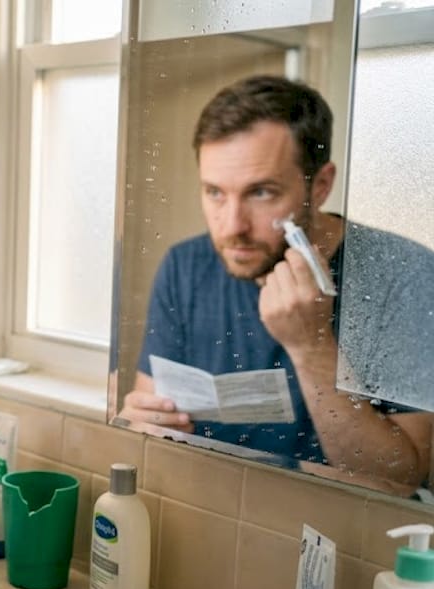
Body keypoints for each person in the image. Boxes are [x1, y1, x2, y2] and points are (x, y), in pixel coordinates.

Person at [120, 74, 432, 494]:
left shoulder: (404, 275)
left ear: (319, 187)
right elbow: (152, 416)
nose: (232, 226)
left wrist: (311, 345)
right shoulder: (185, 265)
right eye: (214, 192)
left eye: (261, 192)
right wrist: (145, 421)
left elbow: (398, 481)